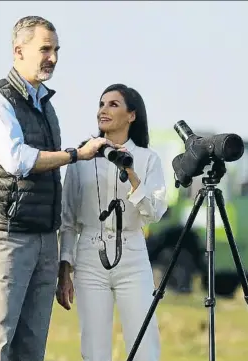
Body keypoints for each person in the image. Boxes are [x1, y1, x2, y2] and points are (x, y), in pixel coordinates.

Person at [0, 16, 117, 361]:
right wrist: (74, 155)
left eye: (56, 50)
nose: (52, 57)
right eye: (45, 49)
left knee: (32, 346)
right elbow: (17, 160)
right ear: (19, 51)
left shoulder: (45, 105)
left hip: (42, 238)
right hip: (6, 237)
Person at [57, 83, 168, 361]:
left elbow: (153, 212)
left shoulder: (148, 159)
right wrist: (64, 269)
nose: (103, 110)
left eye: (113, 104)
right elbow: (68, 219)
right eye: (101, 104)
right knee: (94, 346)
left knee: (144, 341)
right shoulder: (81, 156)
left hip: (132, 254)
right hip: (89, 257)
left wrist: (130, 171)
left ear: (132, 115)